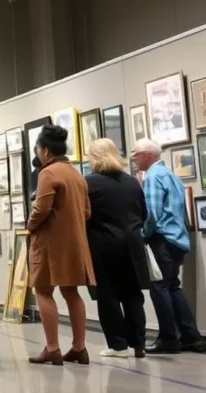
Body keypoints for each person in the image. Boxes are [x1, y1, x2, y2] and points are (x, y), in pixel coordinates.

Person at [26, 125, 95, 366]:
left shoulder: (48, 173)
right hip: (75, 242)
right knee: (71, 292)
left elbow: (41, 208)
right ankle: (79, 346)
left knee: (43, 290)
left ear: (44, 151)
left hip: (49, 243)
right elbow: (87, 211)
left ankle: (53, 347)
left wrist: (30, 225)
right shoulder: (76, 174)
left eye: (37, 148)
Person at [132, 138, 206, 354]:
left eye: (136, 154)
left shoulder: (153, 177)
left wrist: (143, 234)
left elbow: (152, 212)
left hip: (162, 240)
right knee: (172, 286)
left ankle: (168, 338)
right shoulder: (171, 176)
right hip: (177, 240)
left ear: (148, 155)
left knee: (159, 287)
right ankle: (191, 336)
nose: (134, 159)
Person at [84, 139, 151, 358]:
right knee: (133, 295)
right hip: (133, 245)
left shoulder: (90, 183)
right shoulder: (132, 182)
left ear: (94, 157)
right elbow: (143, 214)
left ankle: (118, 344)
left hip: (103, 245)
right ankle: (139, 344)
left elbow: (84, 216)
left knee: (108, 296)